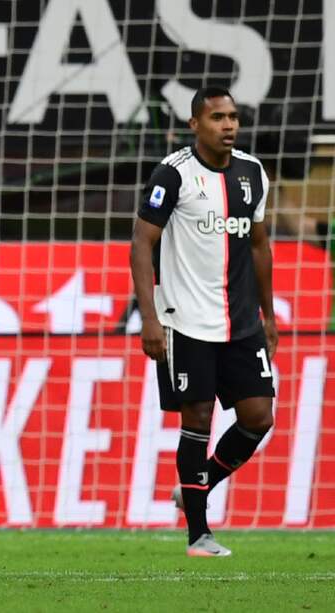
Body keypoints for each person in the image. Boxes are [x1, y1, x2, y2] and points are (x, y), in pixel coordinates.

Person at [130, 86, 277, 557]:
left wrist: (268, 315)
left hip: (241, 323)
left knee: (258, 416)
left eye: (233, 116)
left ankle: (198, 485)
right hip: (185, 320)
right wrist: (149, 319)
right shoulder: (172, 175)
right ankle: (199, 533)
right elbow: (141, 244)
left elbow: (258, 246)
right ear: (196, 124)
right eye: (217, 117)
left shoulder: (253, 173)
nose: (229, 125)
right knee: (196, 419)